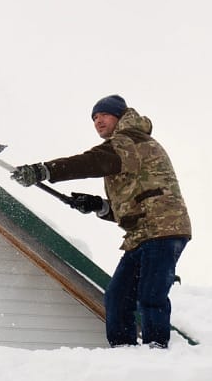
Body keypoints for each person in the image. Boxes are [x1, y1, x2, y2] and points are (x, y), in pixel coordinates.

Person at [11, 94, 192, 348]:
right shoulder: (124, 147)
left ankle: (157, 350)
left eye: (104, 115)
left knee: (151, 294)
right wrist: (98, 205)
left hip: (163, 229)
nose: (98, 121)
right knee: (117, 297)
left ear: (120, 116)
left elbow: (93, 161)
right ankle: (123, 351)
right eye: (94, 118)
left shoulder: (131, 140)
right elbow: (129, 207)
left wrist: (45, 170)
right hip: (141, 234)